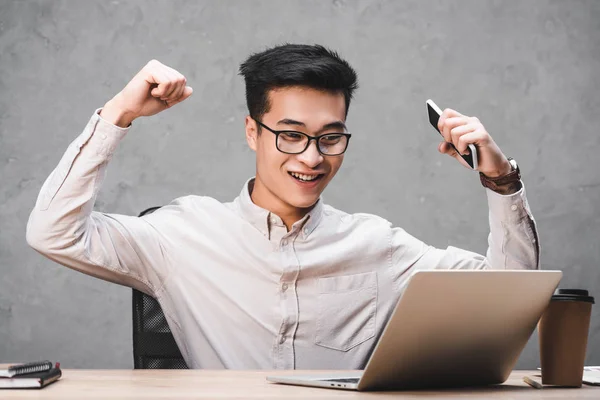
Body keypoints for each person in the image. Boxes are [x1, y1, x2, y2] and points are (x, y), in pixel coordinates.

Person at [26, 44, 539, 370]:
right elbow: (54, 233)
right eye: (291, 135)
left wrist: (500, 179)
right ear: (253, 131)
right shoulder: (178, 236)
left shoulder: (377, 245)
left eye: (331, 137)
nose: (312, 158)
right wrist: (118, 114)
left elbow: (513, 292)